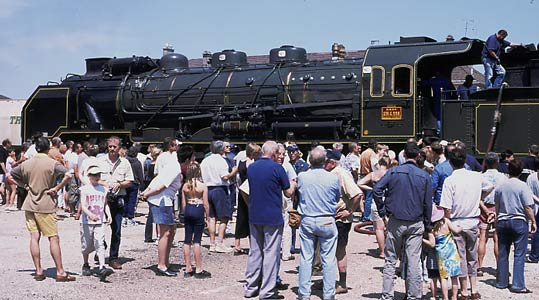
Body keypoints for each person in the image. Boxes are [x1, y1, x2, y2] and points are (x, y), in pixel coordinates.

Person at [10, 137, 75, 282]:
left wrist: (24, 185)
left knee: (34, 237)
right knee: (53, 238)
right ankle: (60, 272)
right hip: (46, 204)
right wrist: (57, 187)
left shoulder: (27, 163)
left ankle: (38, 271)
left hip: (30, 204)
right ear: (48, 148)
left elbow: (11, 174)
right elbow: (68, 174)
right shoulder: (52, 163)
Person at [373, 142, 433, 300]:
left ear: (404, 155)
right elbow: (428, 204)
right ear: (418, 156)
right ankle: (414, 296)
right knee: (414, 261)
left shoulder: (393, 172)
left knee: (390, 259)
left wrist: (382, 211)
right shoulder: (424, 176)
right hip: (416, 222)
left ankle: (387, 295)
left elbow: (377, 189)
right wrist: (428, 226)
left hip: (396, 220)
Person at [439, 147, 493, 300]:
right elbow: (490, 187)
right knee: (472, 256)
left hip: (456, 222)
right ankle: (474, 288)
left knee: (460, 257)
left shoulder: (450, 181)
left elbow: (447, 208)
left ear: (450, 162)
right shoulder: (476, 176)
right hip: (473, 220)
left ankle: (464, 290)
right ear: (465, 160)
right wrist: (478, 198)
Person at [244, 141, 296, 300]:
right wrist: (293, 183)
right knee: (271, 254)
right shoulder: (277, 168)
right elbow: (288, 193)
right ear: (274, 153)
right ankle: (267, 291)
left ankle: (250, 287)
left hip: (254, 215)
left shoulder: (251, 168)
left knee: (255, 252)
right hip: (272, 216)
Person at [296, 147, 341, 300]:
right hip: (326, 218)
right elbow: (336, 197)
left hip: (308, 218)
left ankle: (304, 293)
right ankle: (328, 294)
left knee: (306, 257)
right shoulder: (333, 178)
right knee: (328, 259)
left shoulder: (302, 176)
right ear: (325, 161)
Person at [494, 159, 536, 293]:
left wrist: (496, 220)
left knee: (502, 253)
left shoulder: (500, 186)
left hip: (502, 220)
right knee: (519, 254)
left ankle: (502, 281)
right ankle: (518, 284)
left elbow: (497, 205)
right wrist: (533, 221)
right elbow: (528, 207)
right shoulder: (523, 186)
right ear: (520, 171)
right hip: (518, 221)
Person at [324, 149, 363, 295]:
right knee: (329, 252)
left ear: (332, 163)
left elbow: (357, 194)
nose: (323, 164)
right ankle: (329, 280)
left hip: (341, 220)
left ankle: (342, 283)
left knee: (339, 251)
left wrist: (349, 210)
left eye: (325, 162)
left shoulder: (341, 173)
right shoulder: (332, 173)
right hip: (333, 218)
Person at [139, 154, 182, 277]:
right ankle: (162, 265)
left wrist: (146, 191)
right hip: (161, 200)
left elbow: (157, 180)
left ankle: (165, 262)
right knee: (165, 233)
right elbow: (160, 186)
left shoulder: (172, 167)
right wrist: (145, 194)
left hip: (164, 199)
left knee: (171, 230)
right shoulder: (175, 168)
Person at [97, 136, 134, 270]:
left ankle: (113, 258)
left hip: (117, 200)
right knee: (98, 229)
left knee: (116, 230)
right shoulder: (100, 161)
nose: (112, 149)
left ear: (120, 148)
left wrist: (119, 184)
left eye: (115, 147)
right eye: (110, 147)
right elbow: (93, 179)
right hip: (102, 199)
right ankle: (100, 249)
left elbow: (130, 181)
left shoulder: (125, 163)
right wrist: (105, 183)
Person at [79, 165, 114, 281]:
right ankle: (85, 263)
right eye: (94, 175)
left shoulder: (103, 189)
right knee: (86, 244)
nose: (96, 177)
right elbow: (83, 206)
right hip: (87, 221)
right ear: (89, 176)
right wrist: (90, 214)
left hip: (100, 220)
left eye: (98, 175)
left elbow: (105, 204)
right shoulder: (84, 189)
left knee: (100, 242)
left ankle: (102, 267)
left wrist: (108, 215)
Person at [200, 140, 236, 253]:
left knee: (211, 217)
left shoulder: (205, 161)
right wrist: (234, 171)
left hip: (207, 189)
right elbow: (225, 177)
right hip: (219, 189)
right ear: (221, 149)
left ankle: (212, 243)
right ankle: (220, 242)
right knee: (224, 216)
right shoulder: (221, 161)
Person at [423, 206, 463, 300]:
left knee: (443, 278)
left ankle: (445, 298)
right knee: (454, 277)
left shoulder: (431, 229)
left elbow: (432, 244)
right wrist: (461, 227)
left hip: (441, 255)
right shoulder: (446, 221)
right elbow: (456, 230)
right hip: (452, 252)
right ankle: (454, 297)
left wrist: (422, 239)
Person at [477, 152, 507, 276]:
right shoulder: (503, 177)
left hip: (484, 207)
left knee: (482, 237)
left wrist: (486, 210)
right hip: (498, 208)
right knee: (497, 238)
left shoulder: (480, 177)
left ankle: (479, 267)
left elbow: (478, 197)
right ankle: (499, 266)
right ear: (497, 162)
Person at [181, 162, 211, 279]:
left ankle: (188, 267)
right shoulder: (202, 186)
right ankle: (198, 268)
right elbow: (206, 203)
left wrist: (185, 213)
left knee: (187, 240)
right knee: (197, 240)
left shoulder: (185, 186)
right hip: (198, 208)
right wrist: (207, 217)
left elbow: (183, 203)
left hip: (188, 208)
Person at [358, 156, 391, 259]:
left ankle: (382, 251)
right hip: (389, 201)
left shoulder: (373, 174)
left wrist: (371, 189)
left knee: (379, 229)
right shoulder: (390, 173)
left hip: (376, 202)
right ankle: (391, 250)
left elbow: (359, 183)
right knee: (390, 228)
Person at [234, 142, 260, 255]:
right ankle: (252, 244)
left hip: (242, 191)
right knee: (250, 217)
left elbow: (238, 178)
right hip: (252, 192)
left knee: (241, 216)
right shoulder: (255, 164)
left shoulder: (241, 163)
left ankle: (237, 244)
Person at [526, 157, 539, 263]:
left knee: (535, 231)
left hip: (536, 206)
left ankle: (534, 255)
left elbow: (529, 192)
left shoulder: (531, 177)